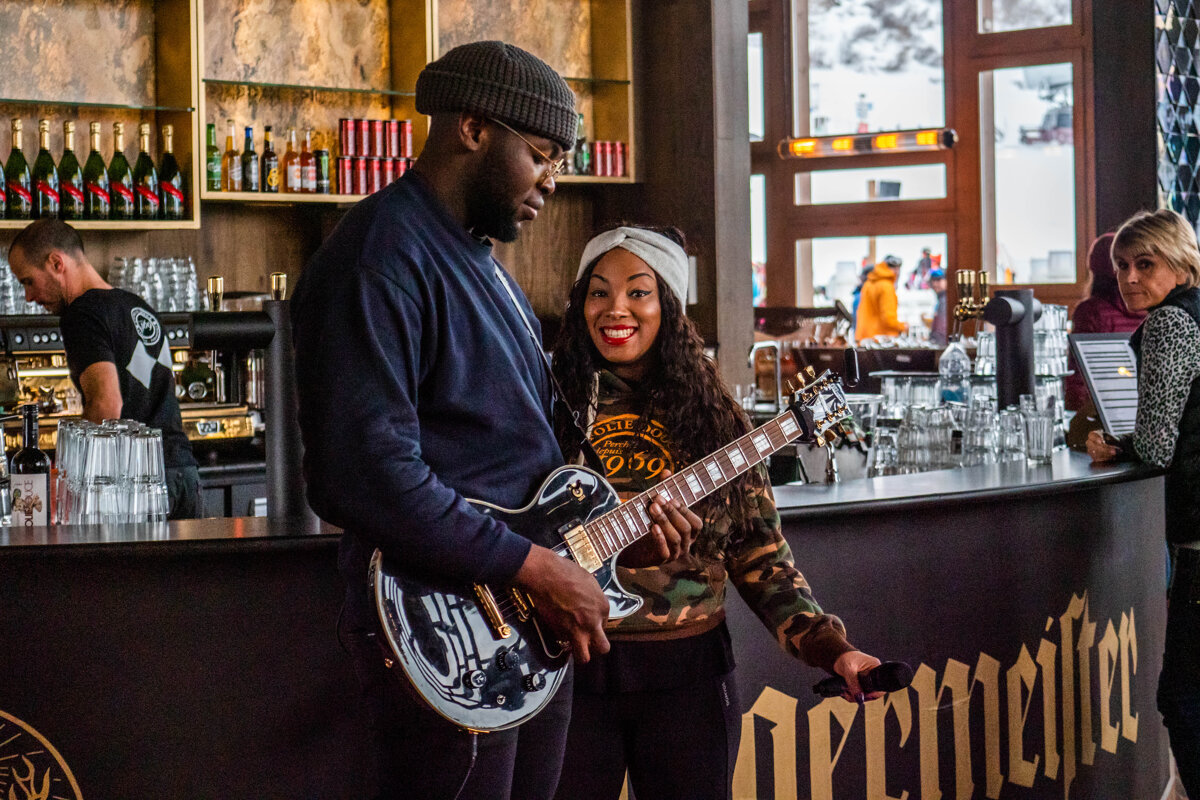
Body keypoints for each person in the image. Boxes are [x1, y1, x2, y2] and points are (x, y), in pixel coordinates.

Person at [290, 42, 699, 800]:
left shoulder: (481, 262)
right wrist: (539, 569)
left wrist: (604, 539)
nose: (552, 178)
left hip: (520, 629)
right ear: (472, 130)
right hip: (443, 635)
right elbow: (363, 475)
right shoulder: (378, 258)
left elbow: (516, 470)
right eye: (540, 153)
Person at [550, 224, 884, 800]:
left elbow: (763, 560)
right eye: (598, 292)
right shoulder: (543, 404)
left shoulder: (719, 425)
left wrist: (835, 651)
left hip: (688, 678)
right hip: (563, 670)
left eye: (638, 291)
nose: (615, 309)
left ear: (670, 306)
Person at [1086, 209, 1200, 798]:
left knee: (1181, 698)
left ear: (1180, 263)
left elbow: (1157, 445)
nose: (1130, 278)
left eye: (1145, 264)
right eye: (1122, 266)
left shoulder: (1171, 325)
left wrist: (1115, 446)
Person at [7, 218, 200, 519]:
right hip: (183, 474)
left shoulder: (82, 314)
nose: (29, 297)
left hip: (137, 485)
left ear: (56, 262)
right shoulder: (137, 306)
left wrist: (62, 480)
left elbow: (106, 402)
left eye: (28, 281)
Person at [1064, 232, 1146, 411]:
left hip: (1104, 411)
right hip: (1146, 407)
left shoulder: (1091, 312)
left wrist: (1073, 413)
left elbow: (1078, 376)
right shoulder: (1152, 308)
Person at [855, 254, 908, 342]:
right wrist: (903, 326)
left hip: (864, 338)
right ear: (896, 269)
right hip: (879, 341)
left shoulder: (869, 283)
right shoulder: (887, 287)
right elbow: (888, 319)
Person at [925, 267, 948, 346]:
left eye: (938, 280)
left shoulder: (947, 300)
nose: (934, 284)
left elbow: (942, 329)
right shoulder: (941, 299)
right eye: (932, 281)